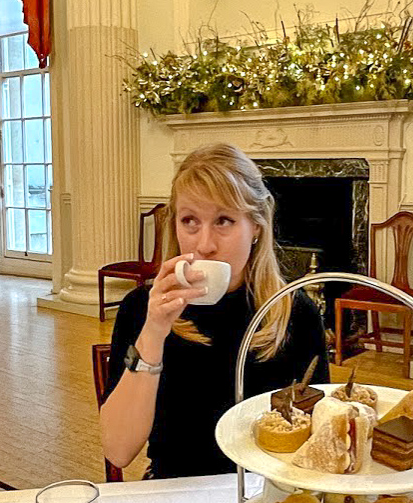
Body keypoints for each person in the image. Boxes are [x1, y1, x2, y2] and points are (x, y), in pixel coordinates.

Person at [100, 143, 329, 479]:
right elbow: (119, 450)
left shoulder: (294, 313)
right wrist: (153, 331)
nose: (204, 243)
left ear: (256, 227)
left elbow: (317, 434)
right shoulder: (141, 309)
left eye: (224, 220)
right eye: (190, 221)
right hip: (175, 491)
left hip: (268, 492)